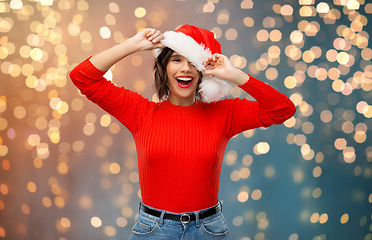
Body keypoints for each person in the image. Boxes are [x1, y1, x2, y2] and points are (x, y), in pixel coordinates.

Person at [70, 24, 296, 240]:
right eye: (176, 60)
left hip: (209, 231)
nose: (185, 68)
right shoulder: (140, 112)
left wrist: (234, 75)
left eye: (193, 62)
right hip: (153, 230)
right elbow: (82, 77)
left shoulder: (225, 114)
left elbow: (282, 109)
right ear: (164, 67)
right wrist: (133, 45)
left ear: (203, 72)